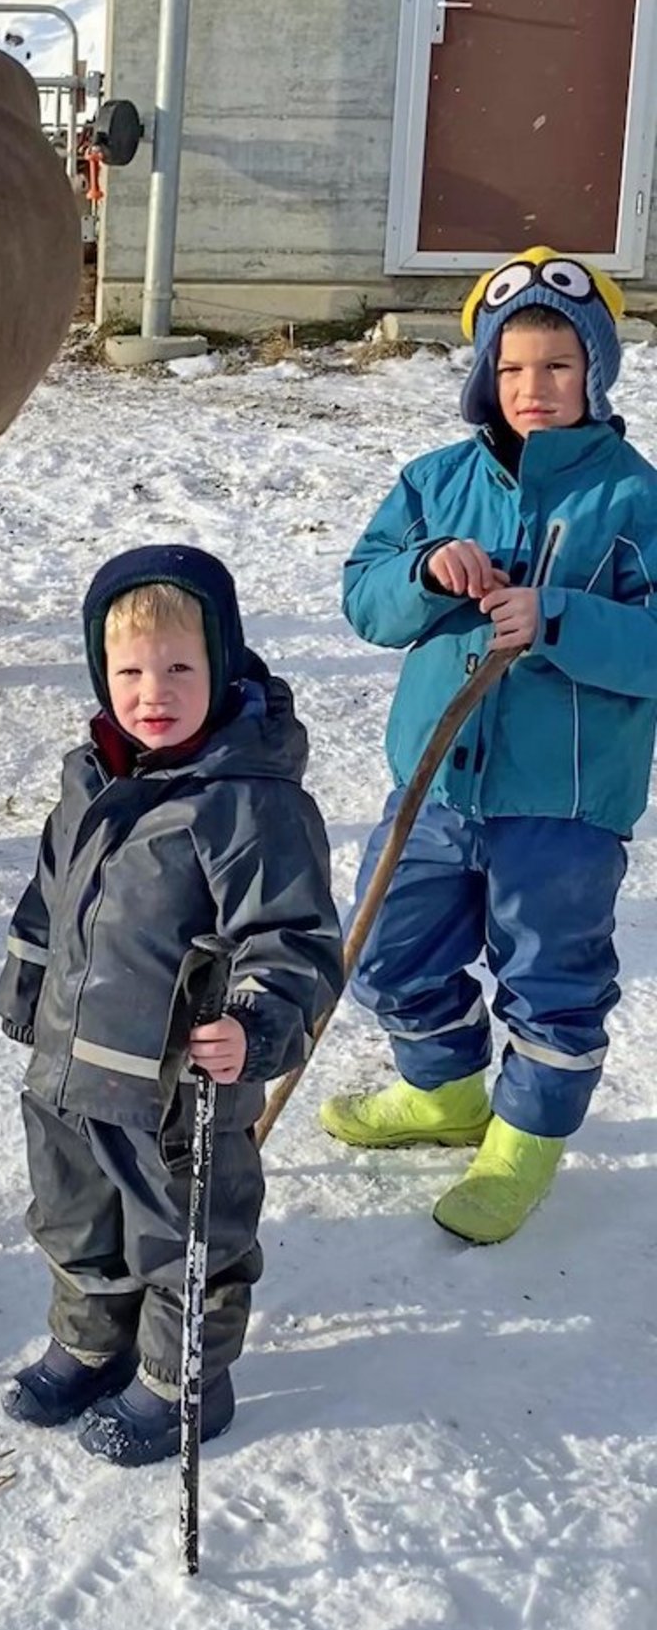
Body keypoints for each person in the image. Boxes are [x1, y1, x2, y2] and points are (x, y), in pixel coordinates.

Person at [322, 250, 657, 1244]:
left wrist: (557, 618)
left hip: (563, 801)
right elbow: (364, 597)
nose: (531, 387)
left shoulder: (632, 500)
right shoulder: (434, 483)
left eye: (556, 365)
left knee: (550, 974)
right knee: (385, 947)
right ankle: (444, 1089)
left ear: (594, 371)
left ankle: (523, 1139)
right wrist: (425, 570)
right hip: (434, 781)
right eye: (510, 367)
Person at [0, 545, 342, 1464]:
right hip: (69, 1068)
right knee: (73, 1214)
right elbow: (50, 893)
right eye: (130, 672)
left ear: (222, 664)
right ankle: (92, 1342)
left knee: (183, 1233)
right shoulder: (91, 776)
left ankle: (181, 1376)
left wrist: (255, 1024)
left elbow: (294, 935)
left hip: (175, 1091)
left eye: (181, 668)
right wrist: (27, 979)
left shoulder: (249, 802)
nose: (154, 693)